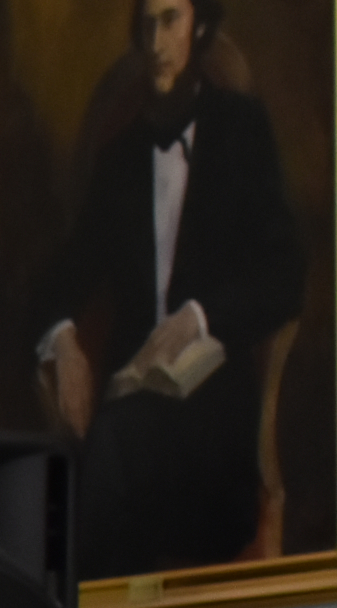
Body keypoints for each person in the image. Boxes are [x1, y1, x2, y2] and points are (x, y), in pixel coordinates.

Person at [34, 0, 303, 575]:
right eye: (147, 24)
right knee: (107, 452)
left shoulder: (241, 131)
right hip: (131, 416)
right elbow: (60, 277)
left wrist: (197, 319)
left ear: (199, 27)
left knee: (109, 458)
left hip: (214, 438)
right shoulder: (120, 160)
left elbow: (285, 272)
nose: (156, 43)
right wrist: (64, 341)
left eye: (171, 20)